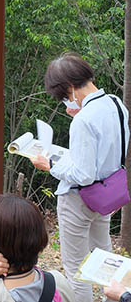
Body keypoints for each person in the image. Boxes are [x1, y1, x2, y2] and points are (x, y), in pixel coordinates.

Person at [31, 52, 129, 302]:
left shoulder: (83, 120)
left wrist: (49, 164)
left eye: (64, 96)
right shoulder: (117, 104)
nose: (65, 101)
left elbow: (83, 175)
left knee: (77, 267)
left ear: (70, 88)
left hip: (79, 200)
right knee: (104, 254)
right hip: (107, 195)